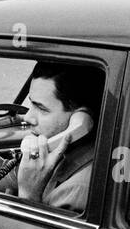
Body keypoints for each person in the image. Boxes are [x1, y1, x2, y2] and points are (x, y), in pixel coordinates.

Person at [10, 61, 103, 212]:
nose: (27, 117)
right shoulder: (69, 154)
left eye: (41, 108)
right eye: (31, 105)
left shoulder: (75, 191)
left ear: (80, 121)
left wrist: (28, 194)